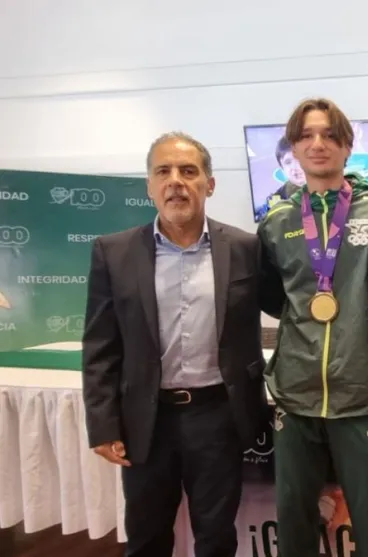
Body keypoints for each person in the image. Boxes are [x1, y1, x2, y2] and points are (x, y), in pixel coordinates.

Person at [82, 132, 267, 557]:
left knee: (217, 537)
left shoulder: (244, 248)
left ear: (210, 184)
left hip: (218, 417)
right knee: (146, 538)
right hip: (146, 421)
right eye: (163, 171)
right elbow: (100, 347)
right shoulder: (113, 252)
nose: (176, 181)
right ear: (149, 185)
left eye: (188, 171)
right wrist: (104, 425)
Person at [257, 98, 368, 557]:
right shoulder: (278, 221)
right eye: (306, 136)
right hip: (295, 393)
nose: (317, 144)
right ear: (295, 150)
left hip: (362, 393)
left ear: (346, 145)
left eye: (328, 135)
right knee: (295, 518)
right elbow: (272, 298)